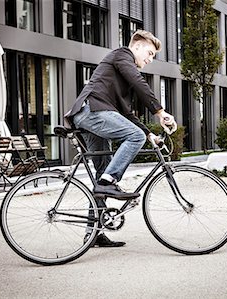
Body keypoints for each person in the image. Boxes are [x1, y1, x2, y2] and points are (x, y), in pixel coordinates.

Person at [64, 30, 177, 247]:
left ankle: (93, 234)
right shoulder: (122, 56)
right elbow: (138, 81)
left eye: (153, 56)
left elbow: (126, 114)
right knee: (126, 148)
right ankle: (109, 182)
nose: (150, 59)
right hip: (91, 111)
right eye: (150, 53)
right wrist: (160, 111)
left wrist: (149, 134)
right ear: (136, 46)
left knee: (102, 173)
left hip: (95, 114)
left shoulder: (122, 74)